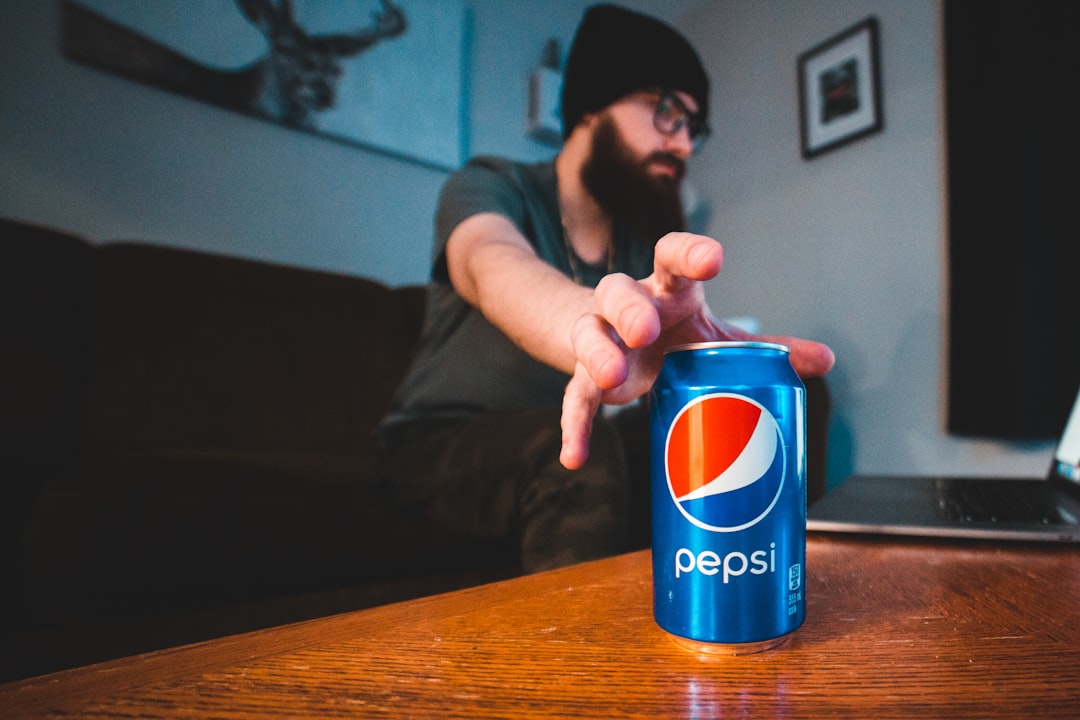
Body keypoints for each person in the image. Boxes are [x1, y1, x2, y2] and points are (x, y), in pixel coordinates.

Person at [374, 3, 834, 575]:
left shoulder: (641, 239)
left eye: (694, 126)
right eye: (667, 111)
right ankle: (580, 667)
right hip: (436, 445)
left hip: (581, 436)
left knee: (769, 407)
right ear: (592, 104)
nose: (684, 144)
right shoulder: (492, 184)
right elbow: (490, 262)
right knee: (575, 452)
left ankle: (768, 600)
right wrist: (587, 320)